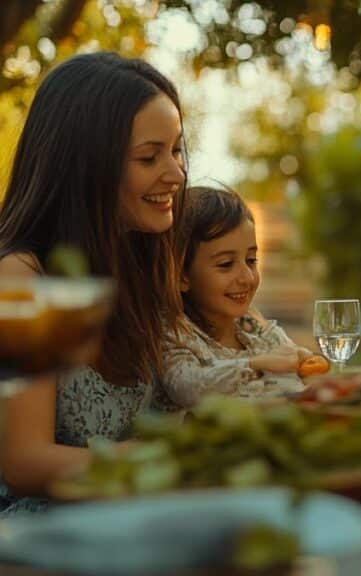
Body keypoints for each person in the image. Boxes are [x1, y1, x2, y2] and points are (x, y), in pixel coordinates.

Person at [0, 53, 186, 513]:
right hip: (42, 532)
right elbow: (24, 462)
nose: (176, 173)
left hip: (129, 509)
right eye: (149, 156)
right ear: (86, 165)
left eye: (177, 149)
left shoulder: (133, 262)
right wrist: (173, 454)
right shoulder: (26, 277)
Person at [160, 186, 321, 410]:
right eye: (226, 264)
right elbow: (188, 387)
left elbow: (295, 374)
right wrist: (255, 364)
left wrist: (303, 362)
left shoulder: (255, 328)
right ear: (181, 276)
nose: (246, 277)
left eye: (251, 260)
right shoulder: (176, 336)